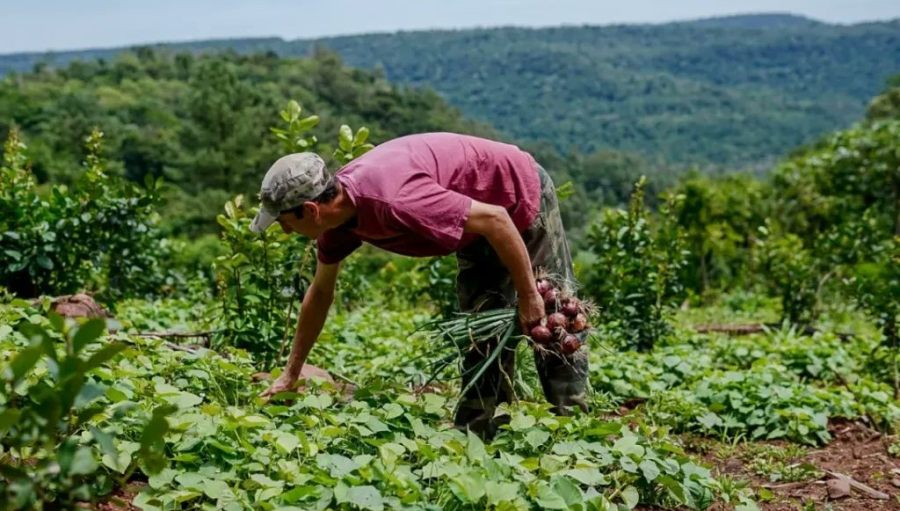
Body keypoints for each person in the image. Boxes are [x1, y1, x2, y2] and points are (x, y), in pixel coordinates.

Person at [253, 132, 588, 437]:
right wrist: (291, 373)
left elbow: (497, 219)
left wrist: (529, 295)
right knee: (481, 334)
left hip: (515, 195)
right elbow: (321, 293)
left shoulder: (395, 200)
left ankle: (573, 429)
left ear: (311, 210)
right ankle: (479, 436)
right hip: (478, 225)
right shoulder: (337, 225)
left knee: (552, 318)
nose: (283, 232)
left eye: (283, 222)